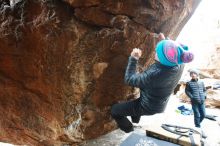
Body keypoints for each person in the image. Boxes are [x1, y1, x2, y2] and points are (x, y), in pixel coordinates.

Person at [111, 33, 194, 133]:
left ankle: (129, 129)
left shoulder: (155, 75)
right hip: (159, 102)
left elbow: (129, 79)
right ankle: (136, 119)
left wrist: (133, 59)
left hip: (148, 107)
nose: (155, 52)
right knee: (135, 103)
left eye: (157, 52)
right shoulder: (179, 63)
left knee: (115, 111)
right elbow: (172, 50)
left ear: (162, 58)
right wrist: (163, 41)